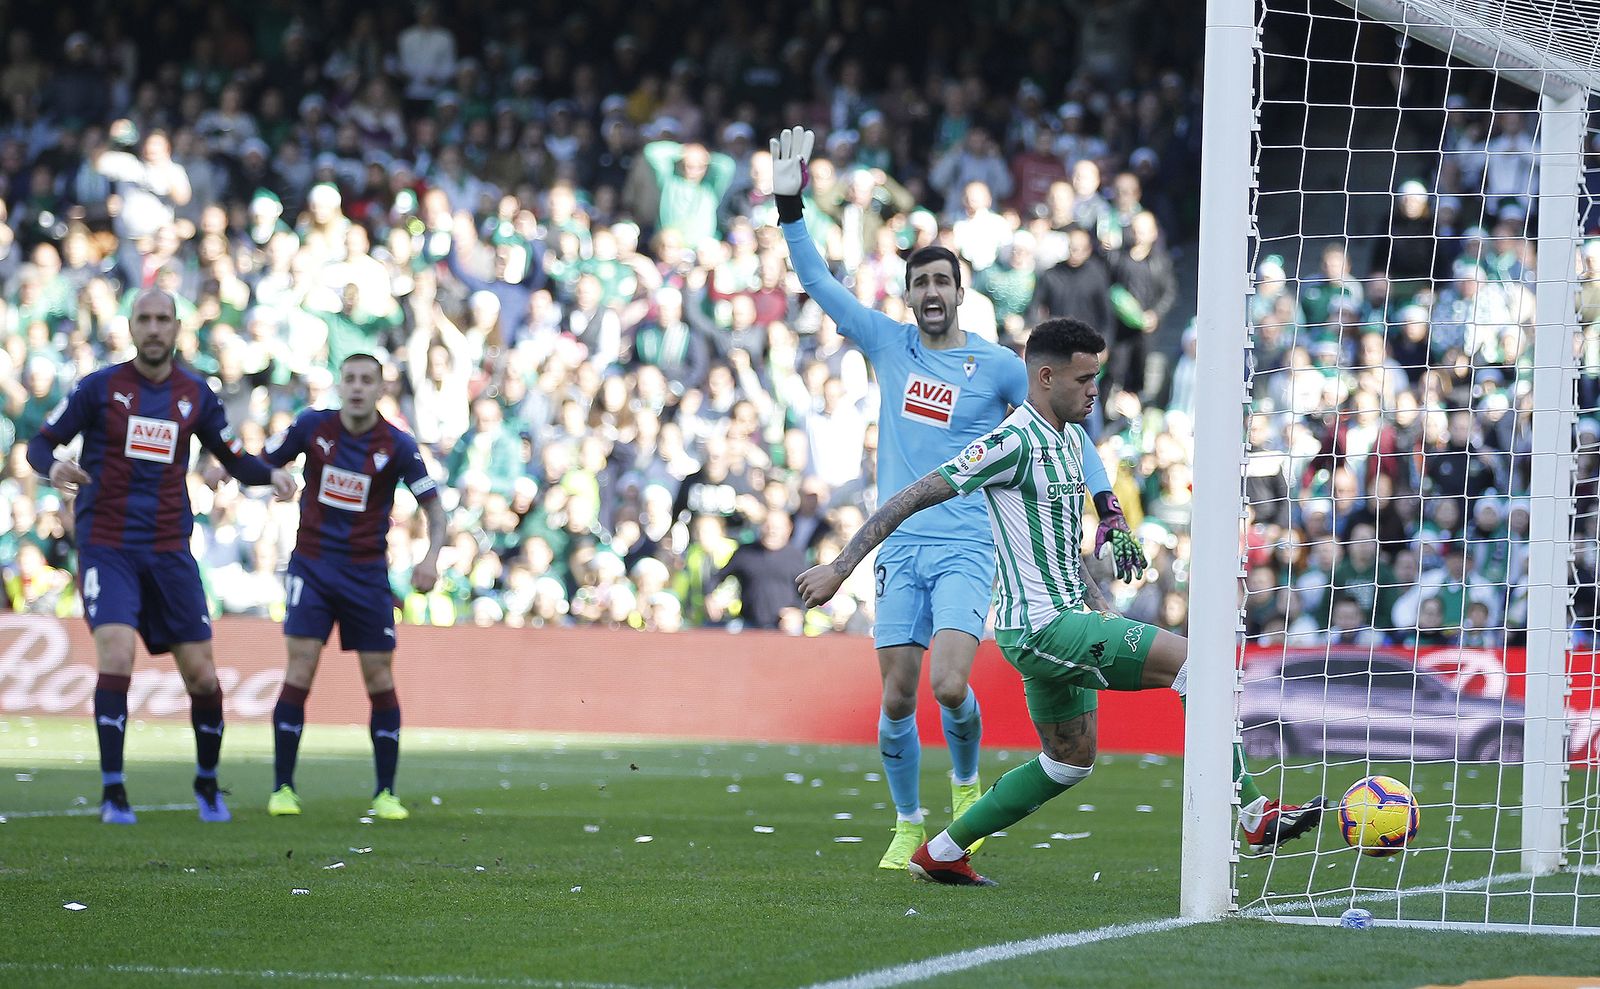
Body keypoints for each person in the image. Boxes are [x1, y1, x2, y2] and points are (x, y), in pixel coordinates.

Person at [797, 318, 1324, 885]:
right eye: (1084, 378)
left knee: (1068, 760)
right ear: (1045, 377)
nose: (1095, 389)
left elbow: (1057, 546)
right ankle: (1252, 813)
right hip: (1041, 628)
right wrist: (840, 566)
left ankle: (943, 852)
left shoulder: (1070, 439)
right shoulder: (1010, 442)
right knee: (1198, 665)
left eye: (1097, 376)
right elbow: (911, 496)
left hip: (1063, 619)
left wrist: (1101, 605)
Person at [772, 127, 1147, 871]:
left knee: (949, 685)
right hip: (898, 543)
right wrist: (789, 204)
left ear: (961, 292)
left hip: (970, 542)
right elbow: (817, 281)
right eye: (921, 283)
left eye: (944, 282)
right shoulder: (885, 343)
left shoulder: (1000, 365)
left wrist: (1106, 505)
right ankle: (909, 823)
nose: (933, 293)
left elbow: (1071, 426)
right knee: (896, 700)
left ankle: (966, 784)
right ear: (908, 295)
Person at [25, 288, 296, 825]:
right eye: (144, 319)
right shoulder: (98, 388)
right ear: (131, 328)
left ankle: (207, 782)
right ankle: (113, 791)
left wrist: (273, 474)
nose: (153, 329)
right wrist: (54, 469)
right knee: (117, 657)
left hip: (171, 550)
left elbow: (234, 459)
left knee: (202, 677)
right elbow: (40, 444)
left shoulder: (195, 394)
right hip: (108, 545)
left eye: (163, 320)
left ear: (177, 329)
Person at [252, 353, 448, 820]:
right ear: (341, 385)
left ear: (380, 388)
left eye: (367, 380)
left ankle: (386, 793)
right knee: (299, 670)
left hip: (366, 574)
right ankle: (282, 788)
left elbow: (435, 510)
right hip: (313, 568)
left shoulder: (397, 444)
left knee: (379, 677)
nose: (358, 387)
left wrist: (431, 557)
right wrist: (268, 474)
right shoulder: (311, 427)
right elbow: (261, 462)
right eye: (351, 379)